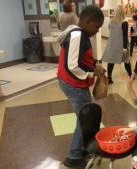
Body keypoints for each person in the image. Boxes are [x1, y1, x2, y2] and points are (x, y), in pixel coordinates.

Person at [57, 5, 105, 168]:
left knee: (85, 117)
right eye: (97, 27)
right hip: (73, 83)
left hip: (74, 82)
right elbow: (72, 65)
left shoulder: (80, 34)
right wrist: (92, 72)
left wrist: (94, 64)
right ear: (87, 20)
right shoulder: (78, 35)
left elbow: (81, 58)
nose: (97, 31)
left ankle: (82, 148)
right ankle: (74, 156)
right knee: (84, 119)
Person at [102, 5, 132, 84]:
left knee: (111, 61)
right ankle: (130, 75)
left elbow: (111, 31)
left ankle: (109, 77)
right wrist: (125, 47)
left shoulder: (111, 22)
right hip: (122, 45)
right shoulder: (124, 23)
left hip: (112, 45)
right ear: (123, 13)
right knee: (126, 60)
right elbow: (125, 36)